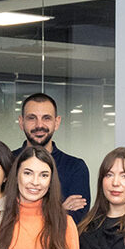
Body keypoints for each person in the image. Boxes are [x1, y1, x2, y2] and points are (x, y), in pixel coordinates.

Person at [16, 92, 90, 220]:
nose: (39, 125)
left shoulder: (75, 167)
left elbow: (76, 218)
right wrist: (60, 210)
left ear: (57, 122)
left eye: (46, 118)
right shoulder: (8, 162)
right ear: (21, 122)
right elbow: (3, 211)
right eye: (32, 118)